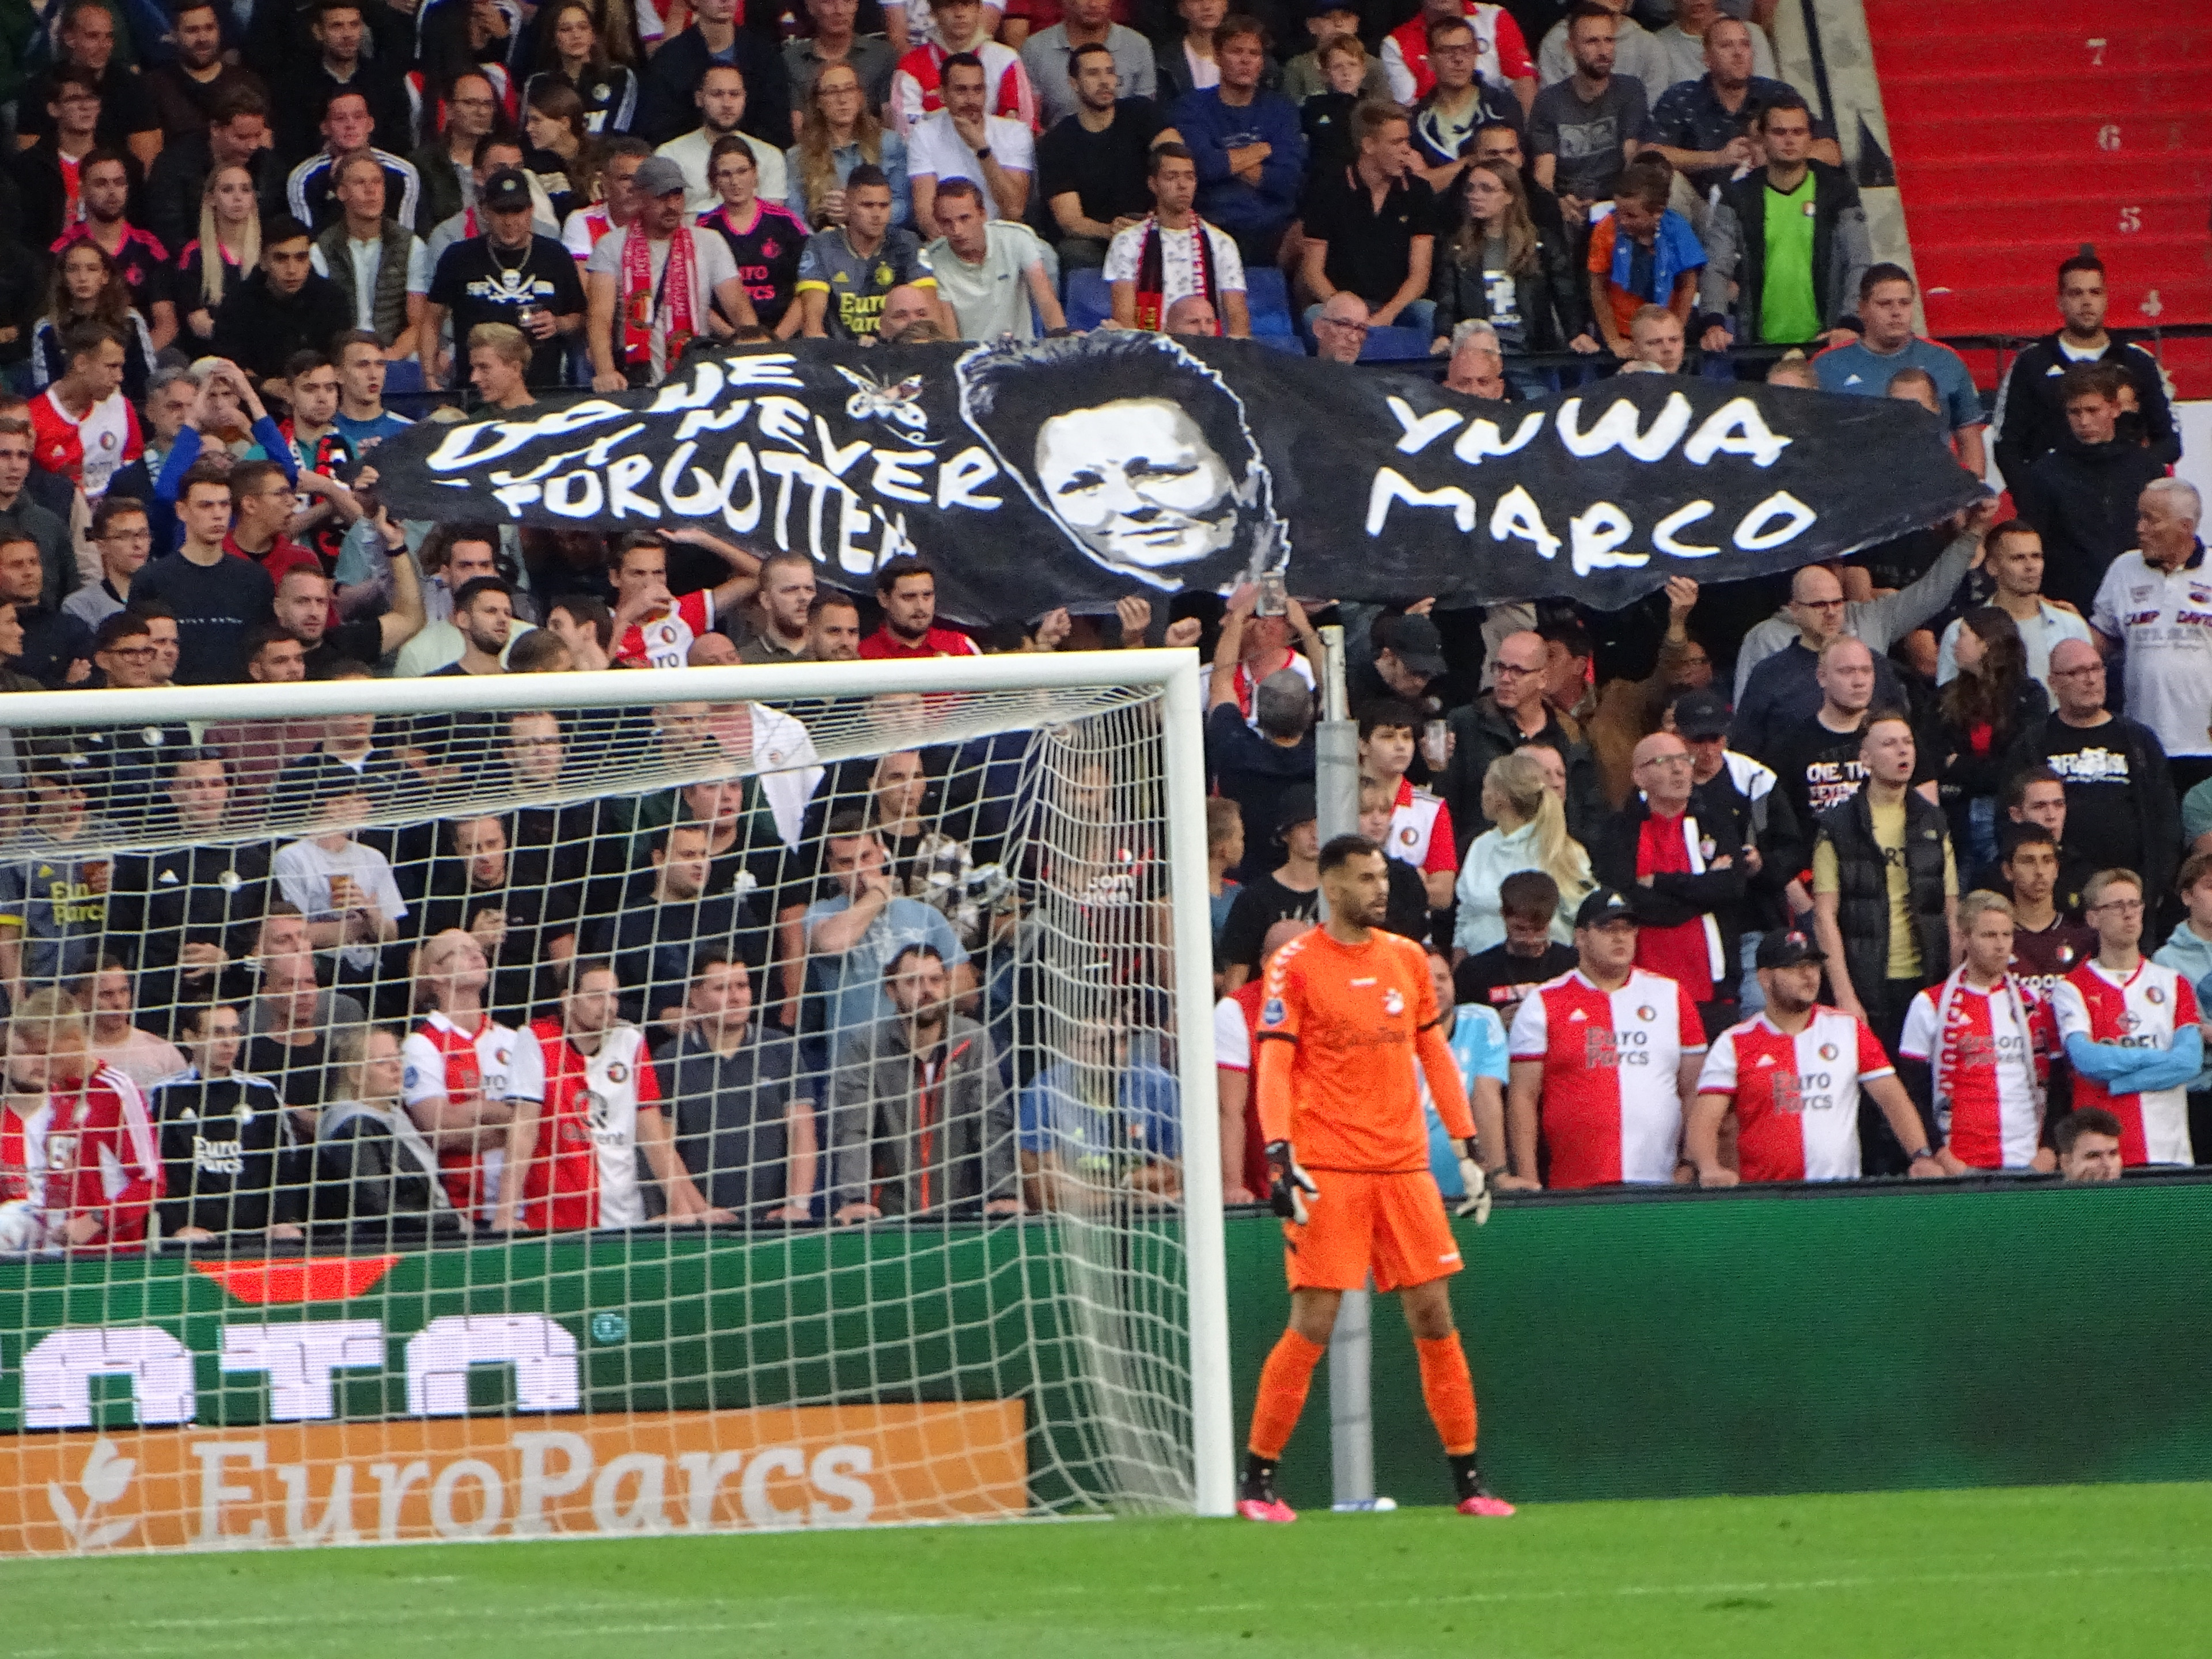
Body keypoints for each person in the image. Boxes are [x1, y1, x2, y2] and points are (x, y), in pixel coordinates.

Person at [1238, 834, 1508, 1523]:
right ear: (1331, 888)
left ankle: (1470, 1483)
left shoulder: (1408, 958)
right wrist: (1279, 1152)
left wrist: (1467, 1143)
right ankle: (1259, 1482)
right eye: (1365, 879)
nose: (1379, 890)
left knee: (1434, 1314)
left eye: (1382, 876)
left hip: (1404, 1166)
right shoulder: (1296, 965)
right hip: (1328, 1165)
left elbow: (1434, 1054)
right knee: (1316, 1320)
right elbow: (1273, 1064)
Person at [1690, 928, 1938, 1184]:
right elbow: (1705, 1120)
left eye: (1813, 965)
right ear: (1764, 978)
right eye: (1793, 967)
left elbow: (1891, 1097)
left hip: (1837, 1196)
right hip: (1765, 1199)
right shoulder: (1734, 1042)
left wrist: (1921, 1155)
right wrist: (1709, 1168)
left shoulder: (1848, 1029)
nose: (1809, 975)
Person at [501, 959, 724, 1231]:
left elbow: (653, 1136)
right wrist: (505, 1212)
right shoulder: (536, 1038)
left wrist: (682, 1208)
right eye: (596, 996)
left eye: (614, 996)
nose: (608, 1006)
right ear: (568, 1000)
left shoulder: (630, 1040)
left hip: (624, 1220)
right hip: (553, 1220)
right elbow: (524, 1129)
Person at [1506, 886, 1706, 1188]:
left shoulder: (1671, 995)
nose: (1620, 937)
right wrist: (1529, 1180)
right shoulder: (1544, 1002)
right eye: (1608, 928)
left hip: (1661, 1183)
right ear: (1581, 937)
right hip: (1574, 1186)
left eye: (1628, 928)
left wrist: (1689, 1165)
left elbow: (1694, 1090)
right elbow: (1522, 1097)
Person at [1809, 711, 1957, 1099]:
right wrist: (1844, 995)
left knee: (1921, 1087)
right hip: (1866, 978)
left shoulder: (1932, 819)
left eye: (1906, 742)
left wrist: (1953, 983)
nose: (1902, 751)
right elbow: (1824, 914)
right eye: (1889, 744)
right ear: (1867, 758)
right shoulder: (1839, 825)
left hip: (1924, 979)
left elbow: (1951, 907)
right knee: (1869, 1090)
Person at [829, 941, 1017, 1221]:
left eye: (935, 980)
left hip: (961, 1215)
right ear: (891, 991)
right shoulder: (865, 1046)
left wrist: (1004, 1194)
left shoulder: (972, 1039)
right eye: (913, 982)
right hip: (888, 1217)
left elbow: (991, 1120)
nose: (927, 990)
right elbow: (854, 1129)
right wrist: (855, 1199)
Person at [1591, 731, 1748, 1036]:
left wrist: (1661, 882)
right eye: (1664, 762)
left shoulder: (1715, 822)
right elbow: (1629, 901)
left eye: (1683, 760)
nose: (1679, 769)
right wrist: (1701, 892)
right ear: (1639, 776)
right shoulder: (1619, 831)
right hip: (1638, 984)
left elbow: (1731, 888)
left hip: (1711, 987)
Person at [2002, 640, 2179, 904]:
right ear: (2053, 682)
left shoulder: (2138, 739)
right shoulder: (2032, 744)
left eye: (2096, 669)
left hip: (2132, 892)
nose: (2090, 680)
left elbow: (2165, 817)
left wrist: (2159, 884)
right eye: (2077, 672)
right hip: (2057, 893)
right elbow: (2009, 818)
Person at [1892, 892, 2057, 1175]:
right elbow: (1912, 1091)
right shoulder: (1929, 1003)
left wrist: (2048, 1151)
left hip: (2026, 1159)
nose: (2001, 945)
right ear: (1965, 938)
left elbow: (2058, 1084)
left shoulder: (2034, 1002)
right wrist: (1942, 1156)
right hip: (1960, 1163)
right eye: (1989, 935)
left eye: (2007, 934)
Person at [2050, 869, 2202, 1166]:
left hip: (2168, 1149)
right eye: (2116, 906)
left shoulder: (2173, 982)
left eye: (2134, 904)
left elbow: (2189, 1062)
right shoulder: (2072, 987)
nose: (2128, 914)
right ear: (2093, 918)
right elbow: (2087, 1060)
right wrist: (2161, 1060)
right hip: (2103, 1158)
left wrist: (2120, 1084)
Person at [1696, 92, 1863, 354]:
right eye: (1779, 132)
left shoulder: (1839, 192)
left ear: (1810, 137)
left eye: (1798, 132)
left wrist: (1851, 322)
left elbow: (1859, 262)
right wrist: (1714, 322)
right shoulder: (1738, 196)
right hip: (1757, 347)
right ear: (1761, 138)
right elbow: (1717, 265)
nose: (1789, 140)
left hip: (1828, 343)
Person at [658, 952, 817, 1222]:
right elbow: (663, 1147)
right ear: (694, 997)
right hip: (700, 1227)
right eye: (721, 988)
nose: (735, 997)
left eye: (742, 987)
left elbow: (802, 1132)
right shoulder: (669, 1060)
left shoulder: (780, 1049)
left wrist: (797, 1204)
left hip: (772, 1223)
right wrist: (702, 1210)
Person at [1993, 252, 2180, 480]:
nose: (2086, 302)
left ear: (2106, 299)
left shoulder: (2138, 361)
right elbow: (2007, 445)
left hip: (2127, 500)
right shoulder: (2031, 362)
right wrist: (2031, 498)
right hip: (2055, 500)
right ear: (2060, 302)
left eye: (2095, 292)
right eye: (2076, 293)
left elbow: (2170, 441)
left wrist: (2133, 474)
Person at [404, 927, 549, 1222]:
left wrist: (473, 1114)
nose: (476, 955)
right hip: (465, 1212)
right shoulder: (422, 1043)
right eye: (460, 951)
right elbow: (439, 1130)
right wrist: (516, 1122)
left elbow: (546, 1122)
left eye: (478, 950)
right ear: (437, 973)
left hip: (531, 1207)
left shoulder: (515, 1039)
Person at [0, 987, 160, 1249]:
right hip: (55, 1260)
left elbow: (151, 1182)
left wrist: (96, 1219)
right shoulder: (56, 1096)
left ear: (72, 1041)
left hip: (110, 1261)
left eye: (45, 1053)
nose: (40, 1066)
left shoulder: (115, 1091)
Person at [585, 154, 752, 388]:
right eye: (662, 197)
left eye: (678, 196)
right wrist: (605, 373)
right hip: (637, 381)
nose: (672, 206)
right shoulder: (610, 246)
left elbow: (738, 307)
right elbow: (599, 317)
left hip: (697, 379)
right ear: (640, 197)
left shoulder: (709, 242)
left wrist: (756, 356)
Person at [1427, 158, 1589, 389]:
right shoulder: (1456, 247)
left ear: (1510, 196)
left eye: (1487, 189)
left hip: (1526, 358)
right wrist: (1443, 334)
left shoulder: (1540, 244)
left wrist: (1576, 333)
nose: (1475, 195)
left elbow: (1565, 293)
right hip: (1478, 359)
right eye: (1471, 188)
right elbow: (1447, 300)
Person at [2027, 378, 2182, 619]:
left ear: (2115, 409)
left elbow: (2167, 534)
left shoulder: (2146, 467)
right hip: (2071, 602)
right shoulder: (2046, 472)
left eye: (2093, 410)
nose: (2084, 421)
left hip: (2142, 598)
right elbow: (2034, 540)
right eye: (2074, 412)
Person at [1813, 264, 1987, 478]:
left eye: (1905, 303)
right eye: (1884, 304)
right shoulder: (1827, 365)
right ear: (1862, 309)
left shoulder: (1945, 360)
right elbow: (1809, 442)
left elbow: (1969, 436)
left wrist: (1974, 491)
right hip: (1857, 494)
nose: (1896, 312)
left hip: (1931, 490)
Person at [425, 166, 589, 391]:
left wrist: (558, 323)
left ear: (531, 210)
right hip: (474, 389)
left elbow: (580, 316)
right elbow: (431, 320)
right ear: (484, 211)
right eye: (502, 211)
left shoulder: (555, 254)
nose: (510, 221)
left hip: (541, 389)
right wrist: (429, 378)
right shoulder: (459, 256)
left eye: (518, 211)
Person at [152, 1001, 303, 1242]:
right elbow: (156, 1168)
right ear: (191, 1038)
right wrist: (177, 1226)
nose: (229, 1041)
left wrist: (284, 1220)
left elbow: (284, 1161)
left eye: (235, 1032)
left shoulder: (262, 1092)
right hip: (192, 1235)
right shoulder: (164, 1094)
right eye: (217, 1033)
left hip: (257, 1235)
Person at [1440, 629, 1604, 844]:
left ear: (1543, 679)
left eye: (1518, 671)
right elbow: (1446, 804)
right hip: (1484, 858)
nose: (1505, 679)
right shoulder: (1464, 724)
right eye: (1500, 668)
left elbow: (1587, 809)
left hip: (1552, 859)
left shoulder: (1570, 735)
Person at [1017, 1003, 1181, 1212]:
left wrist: (1096, 1188)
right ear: (1071, 1047)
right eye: (1099, 1042)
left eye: (1120, 1041)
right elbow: (1046, 1192)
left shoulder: (1159, 1085)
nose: (1113, 1053)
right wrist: (1134, 1191)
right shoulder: (1044, 1092)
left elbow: (1175, 1176)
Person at [1172, 16, 1305, 265]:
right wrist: (1261, 151)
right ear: (1217, 56)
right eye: (1236, 52)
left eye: (1254, 54)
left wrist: (1224, 157)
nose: (1245, 61)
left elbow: (1288, 181)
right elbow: (1202, 167)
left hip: (1274, 229)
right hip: (1210, 224)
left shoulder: (1282, 110)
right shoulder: (1191, 107)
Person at [127, 464, 276, 685]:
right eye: (206, 506)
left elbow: (264, 650)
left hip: (239, 706)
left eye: (224, 505)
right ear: (182, 511)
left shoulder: (255, 579)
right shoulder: (152, 579)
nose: (218, 514)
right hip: (174, 704)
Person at [1298, 101, 1434, 336]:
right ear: (1368, 145)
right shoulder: (1327, 190)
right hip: (1342, 304)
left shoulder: (1419, 192)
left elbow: (1420, 275)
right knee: (1314, 317)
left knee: (1428, 312)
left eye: (1407, 141)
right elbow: (1313, 271)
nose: (1407, 151)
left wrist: (1387, 315)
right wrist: (1346, 312)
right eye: (1396, 142)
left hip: (1397, 306)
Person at [313, 1025, 461, 1232]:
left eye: (398, 1058)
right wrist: (451, 1223)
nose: (396, 1067)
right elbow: (375, 1209)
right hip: (375, 1246)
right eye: (383, 1061)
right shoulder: (353, 1127)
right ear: (356, 1075)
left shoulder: (395, 1116)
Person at [1934, 609, 2049, 869]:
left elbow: (2019, 765)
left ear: (1986, 644)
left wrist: (1959, 765)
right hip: (1955, 817)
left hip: (2004, 815)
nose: (1955, 643)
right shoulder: (1945, 698)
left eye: (1962, 635)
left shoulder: (2029, 697)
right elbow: (1933, 756)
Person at [1104, 143, 1248, 334]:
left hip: (1209, 349)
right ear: (1153, 184)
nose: (1183, 185)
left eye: (1189, 177)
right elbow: (1124, 317)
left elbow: (1237, 316)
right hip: (1151, 352)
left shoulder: (1222, 243)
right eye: (1172, 177)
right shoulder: (1127, 242)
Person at [1454, 752, 1590, 955]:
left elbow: (1583, 918)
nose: (1482, 795)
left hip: (1542, 970)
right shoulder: (1481, 845)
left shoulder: (1562, 850)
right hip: (1481, 967)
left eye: (1486, 787)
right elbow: (1466, 915)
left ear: (1501, 797)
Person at [1936, 521, 2093, 693]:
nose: (2030, 567)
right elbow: (1949, 699)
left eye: (2036, 557)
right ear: (1992, 567)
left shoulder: (2072, 626)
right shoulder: (1961, 632)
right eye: (2018, 558)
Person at [1530, 3, 1651, 222]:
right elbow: (1544, 174)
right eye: (1592, 42)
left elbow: (1632, 154)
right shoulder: (1549, 101)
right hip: (1567, 202)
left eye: (1609, 40)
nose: (1604, 51)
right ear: (1571, 47)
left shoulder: (1630, 90)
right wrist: (1558, 204)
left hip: (1617, 203)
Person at [796, 164, 937, 340]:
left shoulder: (907, 243)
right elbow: (813, 326)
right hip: (840, 353)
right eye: (868, 205)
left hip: (896, 353)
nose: (877, 214)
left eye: (884, 205)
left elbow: (930, 314)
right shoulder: (822, 246)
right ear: (846, 206)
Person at [210, 216, 355, 387]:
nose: (292, 270)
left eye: (301, 258)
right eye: (281, 258)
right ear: (263, 261)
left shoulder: (332, 299)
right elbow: (227, 366)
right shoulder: (237, 303)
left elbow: (343, 359)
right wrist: (264, 385)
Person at [637, 0, 793, 153]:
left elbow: (777, 127)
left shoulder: (764, 56)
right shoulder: (669, 59)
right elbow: (660, 128)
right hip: (688, 161)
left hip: (754, 162)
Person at [910, 50, 1037, 235]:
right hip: (949, 241)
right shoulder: (924, 134)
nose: (971, 100)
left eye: (978, 90)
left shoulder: (1014, 132)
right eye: (961, 90)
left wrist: (982, 149)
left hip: (1003, 237)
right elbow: (926, 217)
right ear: (942, 95)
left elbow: (1014, 210)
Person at [1585, 160, 1701, 359]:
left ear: (1658, 212)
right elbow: (1598, 288)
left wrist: (1675, 336)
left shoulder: (1677, 229)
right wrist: (1613, 340)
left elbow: (1688, 285)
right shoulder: (1606, 229)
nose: (1622, 220)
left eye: (1631, 215)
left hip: (1664, 337)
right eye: (1619, 212)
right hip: (1623, 336)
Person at [1208, 668, 1315, 880]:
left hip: (1245, 884)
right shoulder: (1327, 757)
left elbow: (1221, 680)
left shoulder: (1235, 751)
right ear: (1309, 712)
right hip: (1311, 884)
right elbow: (1337, 698)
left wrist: (1234, 631)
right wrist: (1308, 634)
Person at [697, 138, 810, 339]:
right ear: (713, 180)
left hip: (784, 336)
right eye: (725, 174)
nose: (735, 182)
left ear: (755, 173)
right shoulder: (704, 229)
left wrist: (777, 340)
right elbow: (696, 297)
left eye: (742, 171)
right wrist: (734, 338)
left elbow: (807, 287)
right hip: (726, 339)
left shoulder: (785, 222)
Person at [1217, 783, 1324, 990]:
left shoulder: (1340, 892)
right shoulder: (1255, 899)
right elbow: (1236, 976)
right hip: (1269, 1009)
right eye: (1304, 825)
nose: (1315, 833)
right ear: (1285, 834)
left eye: (1321, 822)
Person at [927, 180, 1065, 340]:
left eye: (964, 218)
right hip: (970, 359)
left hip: (1020, 354)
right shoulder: (933, 260)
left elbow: (1046, 299)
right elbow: (949, 335)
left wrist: (1061, 341)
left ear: (983, 214)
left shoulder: (1016, 238)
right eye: (947, 222)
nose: (957, 230)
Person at [787, 64, 912, 233]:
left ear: (860, 96)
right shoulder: (797, 155)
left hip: (883, 242)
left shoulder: (890, 143)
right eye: (832, 92)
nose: (842, 100)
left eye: (849, 89)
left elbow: (905, 209)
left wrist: (856, 212)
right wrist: (821, 229)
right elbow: (794, 219)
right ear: (818, 102)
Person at [26, 320, 141, 501]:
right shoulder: (33, 416)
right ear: (81, 363)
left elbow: (134, 471)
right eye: (111, 367)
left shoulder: (122, 406)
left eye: (121, 367)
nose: (120, 377)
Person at [284, 86, 421, 235]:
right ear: (325, 127)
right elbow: (307, 244)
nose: (350, 125)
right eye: (340, 118)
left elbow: (405, 241)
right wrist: (336, 189)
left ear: (370, 124)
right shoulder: (303, 179)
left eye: (358, 117)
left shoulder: (403, 174)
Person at [655, 65, 789, 216]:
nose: (727, 104)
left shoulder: (769, 155)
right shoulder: (670, 155)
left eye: (735, 94)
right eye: (717, 94)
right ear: (699, 99)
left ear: (745, 98)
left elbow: (773, 218)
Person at [1361, 699, 1457, 908]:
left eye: (1407, 737)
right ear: (1363, 745)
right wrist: (1415, 882)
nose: (1400, 745)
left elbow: (1443, 895)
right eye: (1387, 736)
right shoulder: (1335, 801)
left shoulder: (1432, 808)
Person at [1023, 0, 1156, 130]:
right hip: (1057, 146)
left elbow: (1146, 113)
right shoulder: (1035, 49)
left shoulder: (1138, 45)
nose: (1093, 4)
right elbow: (1029, 119)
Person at [1382, 0, 1533, 111]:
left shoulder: (1495, 17)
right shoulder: (1395, 43)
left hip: (1498, 124)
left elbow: (1523, 82)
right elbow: (1409, 110)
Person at [527, 0, 641, 138]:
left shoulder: (620, 77)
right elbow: (529, 135)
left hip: (604, 156)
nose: (576, 35)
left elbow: (619, 133)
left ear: (593, 36)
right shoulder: (538, 83)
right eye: (566, 29)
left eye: (583, 27)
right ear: (553, 39)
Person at [787, 0, 900, 116]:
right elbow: (796, 119)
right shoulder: (792, 60)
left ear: (856, 5)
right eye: (828, 2)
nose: (839, 11)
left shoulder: (883, 55)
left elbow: (889, 115)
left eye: (847, 1)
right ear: (811, 7)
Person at [858, 556, 980, 659]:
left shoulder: (961, 648)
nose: (920, 607)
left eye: (927, 595)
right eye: (909, 597)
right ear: (884, 599)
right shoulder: (861, 655)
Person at [2052, 1105, 2124, 1182]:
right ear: (2066, 1162)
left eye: (2113, 1153)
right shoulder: (2045, 1193)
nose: (2108, 1165)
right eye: (2094, 1156)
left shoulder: (2134, 1192)